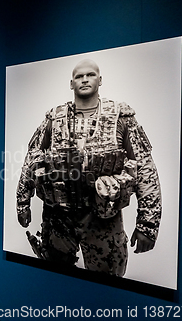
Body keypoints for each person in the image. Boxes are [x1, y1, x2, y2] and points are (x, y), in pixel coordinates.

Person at [16, 59, 162, 277]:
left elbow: (145, 170)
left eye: (90, 75)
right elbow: (32, 160)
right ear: (71, 83)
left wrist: (147, 225)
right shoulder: (53, 119)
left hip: (102, 219)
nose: (84, 79)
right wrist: (22, 202)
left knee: (106, 286)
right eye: (79, 76)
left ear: (100, 80)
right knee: (55, 279)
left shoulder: (121, 118)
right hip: (58, 218)